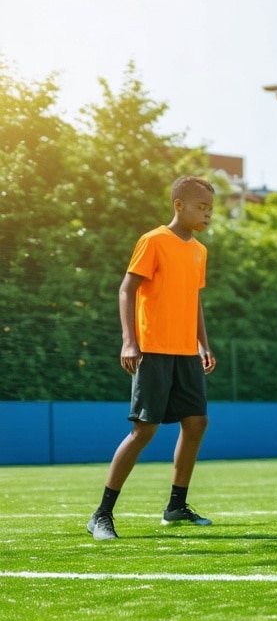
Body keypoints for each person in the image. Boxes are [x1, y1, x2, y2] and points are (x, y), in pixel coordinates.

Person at [86, 176, 218, 540]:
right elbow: (127, 289)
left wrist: (203, 344)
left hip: (186, 352)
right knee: (144, 430)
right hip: (154, 349)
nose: (207, 215)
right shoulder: (153, 240)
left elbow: (195, 302)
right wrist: (130, 341)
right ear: (179, 205)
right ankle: (102, 514)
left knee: (196, 424)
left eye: (210, 209)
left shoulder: (199, 251)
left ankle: (176, 506)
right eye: (201, 207)